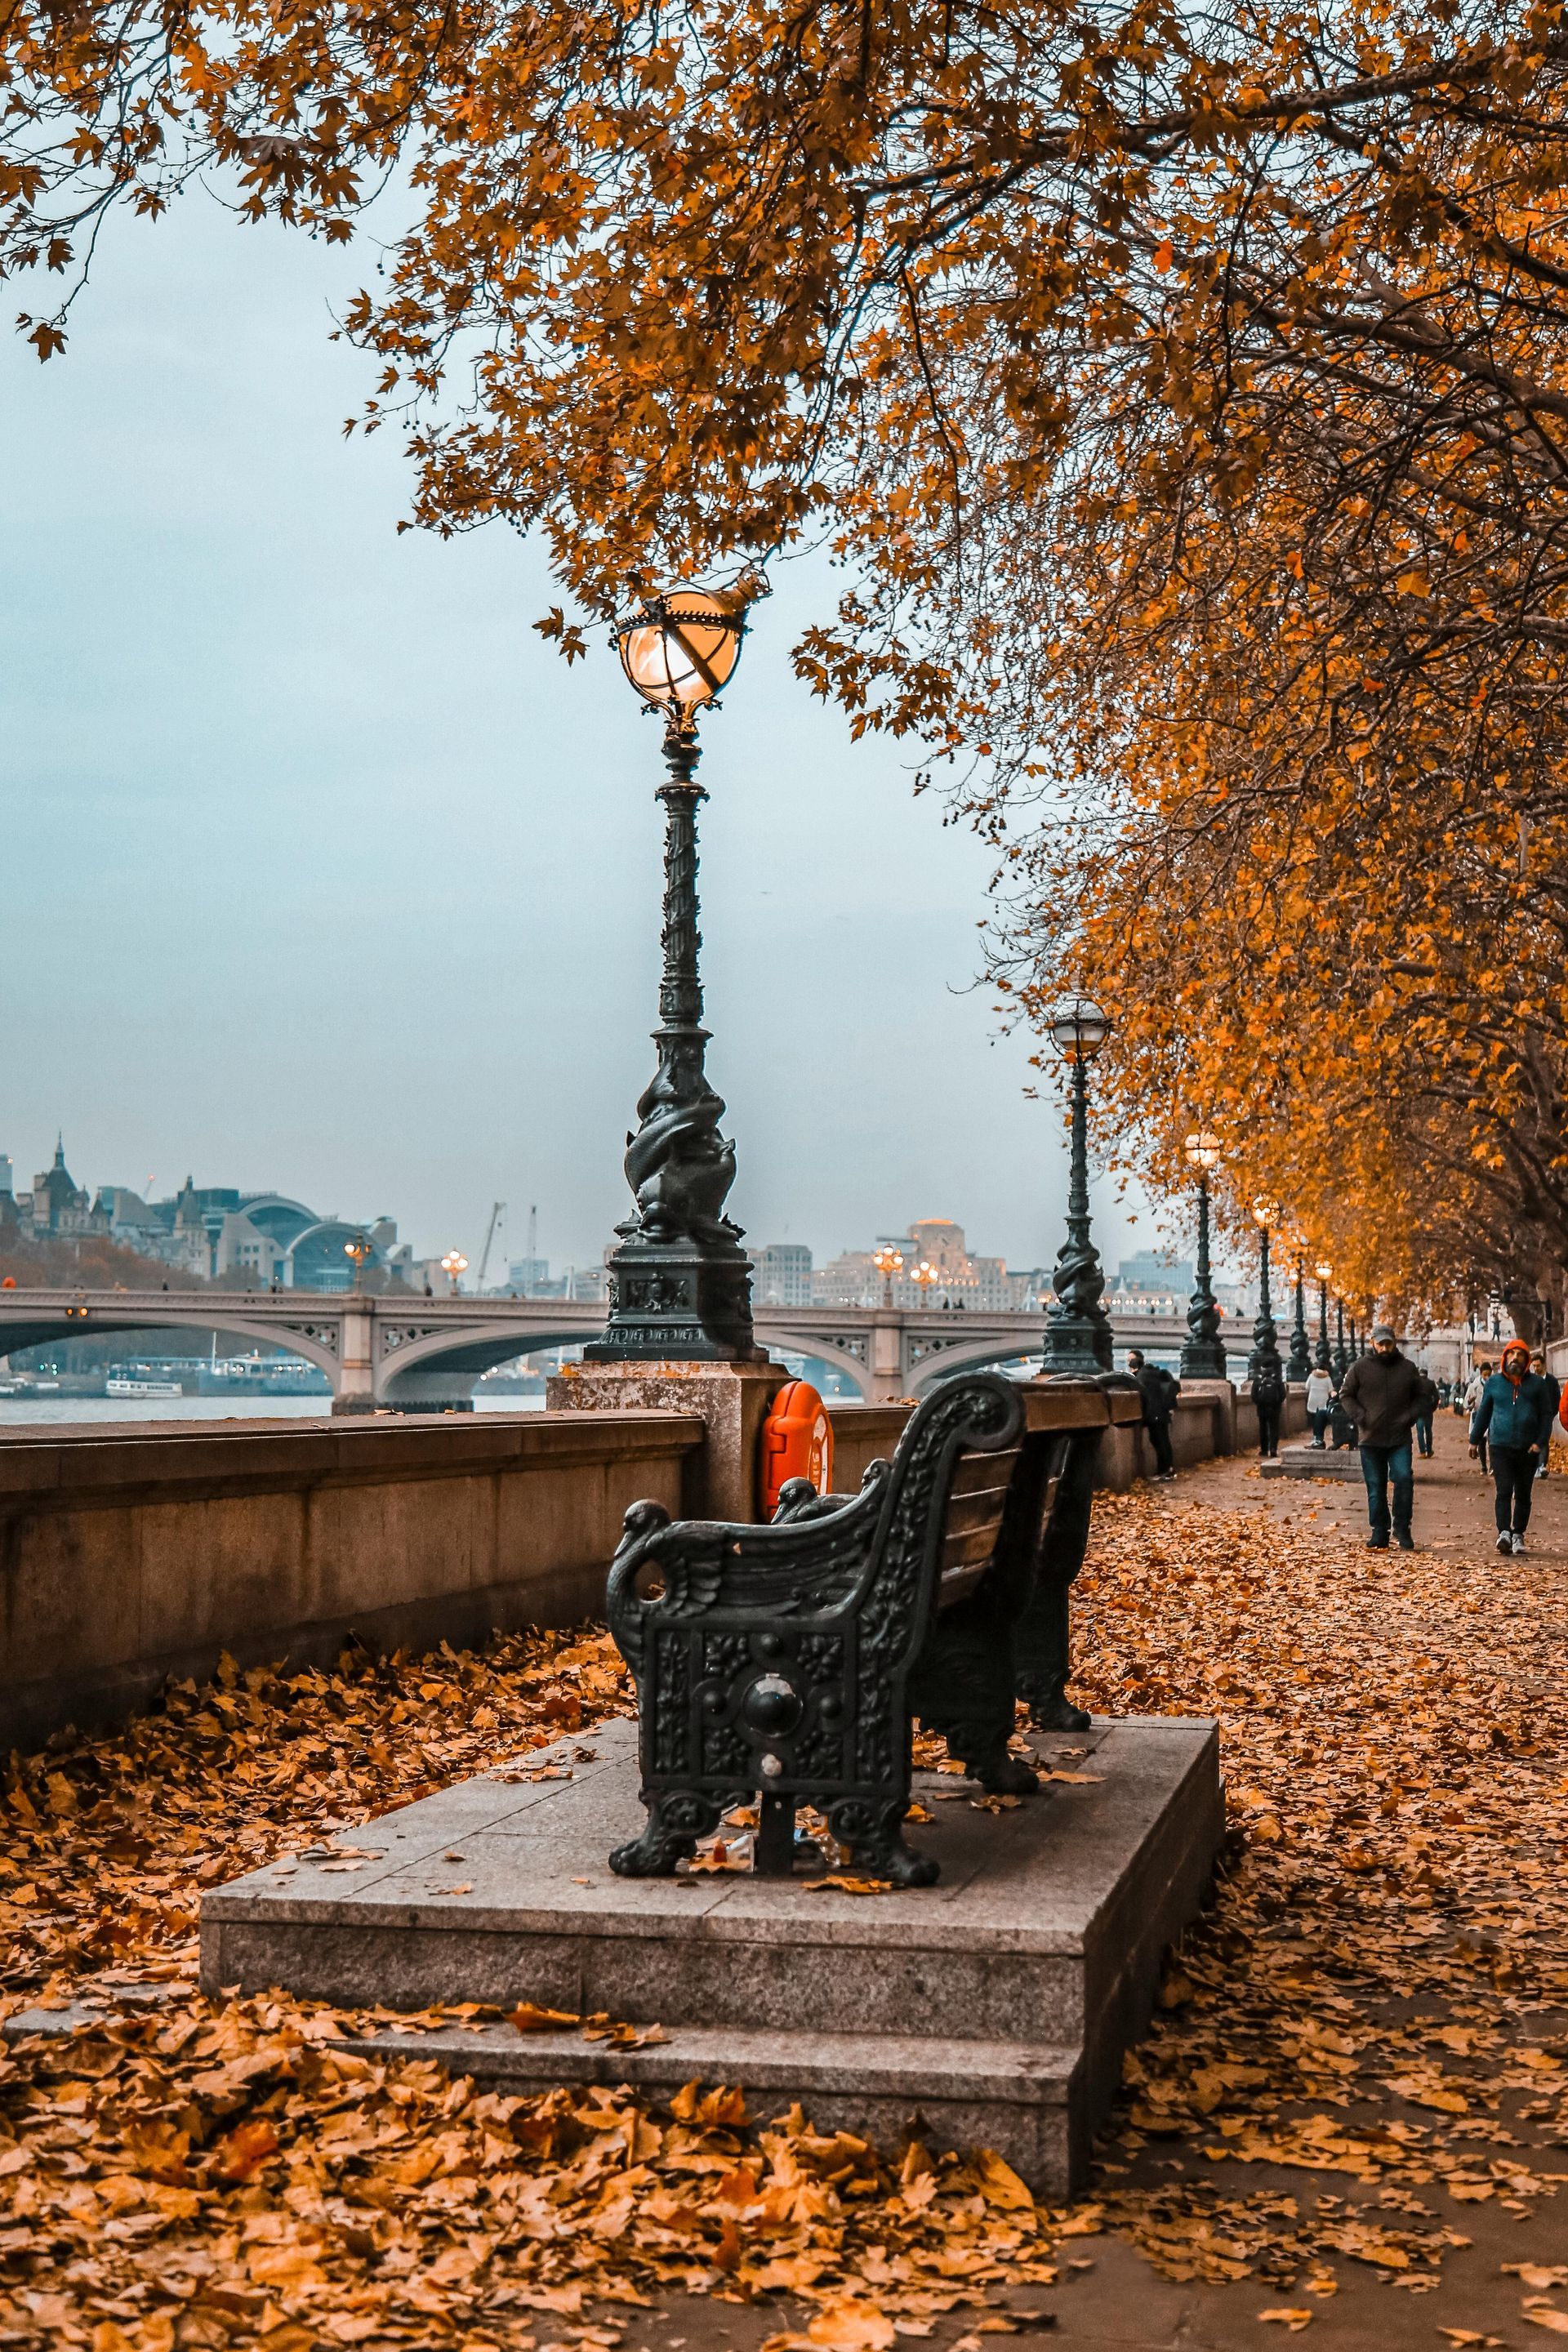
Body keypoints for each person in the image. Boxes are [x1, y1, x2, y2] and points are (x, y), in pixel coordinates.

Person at [1339, 1325, 1426, 1550]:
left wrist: (1410, 1417)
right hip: (1370, 1437)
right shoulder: (1359, 1368)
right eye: (1381, 1343)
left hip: (1400, 1437)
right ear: (1372, 1343)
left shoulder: (1408, 1368)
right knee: (1376, 1486)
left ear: (1394, 1342)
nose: (1385, 1347)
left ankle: (1402, 1528)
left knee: (1404, 1479)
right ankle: (1379, 1531)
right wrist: (1361, 1416)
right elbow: (1346, 1395)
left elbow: (1421, 1397)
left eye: (1388, 1343)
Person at [1470, 1341, 1554, 1553]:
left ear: (1526, 1360)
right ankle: (1504, 1533)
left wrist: (1540, 1441)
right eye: (1511, 1354)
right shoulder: (1495, 1383)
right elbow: (1484, 1413)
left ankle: (1518, 1534)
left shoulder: (1537, 1385)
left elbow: (1546, 1416)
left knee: (1524, 1493)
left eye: (1520, 1355)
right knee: (1504, 1490)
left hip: (1528, 1448)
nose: (1515, 1358)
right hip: (1500, 1446)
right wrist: (1474, 1439)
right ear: (1505, 1358)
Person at [1126, 1349, 1179, 1481]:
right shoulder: (1154, 1372)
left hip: (1154, 1415)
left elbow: (1143, 1396)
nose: (1129, 1365)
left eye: (1130, 1362)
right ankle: (1169, 1470)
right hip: (1163, 1413)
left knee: (1158, 1442)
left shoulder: (1142, 1376)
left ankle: (1163, 1471)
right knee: (1164, 1441)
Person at [1529, 1352, 1560, 1479]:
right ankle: (1535, 1466)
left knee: (1544, 1439)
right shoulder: (1530, 1380)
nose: (1536, 1369)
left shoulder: (1552, 1381)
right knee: (1533, 1440)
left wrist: (1552, 1413)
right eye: (1534, 1366)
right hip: (1532, 1417)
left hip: (1546, 1416)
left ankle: (1542, 1465)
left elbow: (1557, 1398)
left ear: (1544, 1365)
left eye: (1538, 1366)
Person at [1250, 1355, 1286, 1459]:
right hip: (1275, 1409)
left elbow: (1253, 1395)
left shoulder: (1258, 1380)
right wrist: (1276, 1403)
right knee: (1274, 1429)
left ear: (1262, 1368)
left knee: (1263, 1429)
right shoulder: (1278, 1380)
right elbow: (1283, 1394)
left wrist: (1260, 1403)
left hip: (1262, 1409)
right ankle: (1273, 1448)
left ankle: (1264, 1450)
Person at [1463, 1360, 1493, 1469]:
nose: (1487, 1377)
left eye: (1489, 1375)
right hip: (1478, 1415)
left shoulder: (1494, 1385)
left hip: (1491, 1416)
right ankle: (1484, 1465)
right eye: (1485, 1375)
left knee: (1492, 1442)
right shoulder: (1473, 1386)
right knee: (1481, 1441)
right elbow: (1465, 1404)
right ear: (1481, 1374)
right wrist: (1470, 1401)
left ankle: (1492, 1467)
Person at [1304, 1364, 1335, 1446]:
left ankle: (1315, 1438)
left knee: (1314, 1420)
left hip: (1312, 1400)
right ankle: (1320, 1437)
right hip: (1323, 1401)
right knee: (1321, 1420)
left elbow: (1307, 1387)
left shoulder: (1311, 1376)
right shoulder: (1327, 1378)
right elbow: (1331, 1390)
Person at [1412, 1366, 1439, 1459]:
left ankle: (1422, 1452)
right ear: (1427, 1374)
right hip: (1428, 1411)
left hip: (1418, 1412)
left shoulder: (1415, 1383)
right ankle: (1429, 1451)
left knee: (1420, 1432)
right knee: (1428, 1431)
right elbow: (1436, 1397)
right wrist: (1433, 1407)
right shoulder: (1431, 1383)